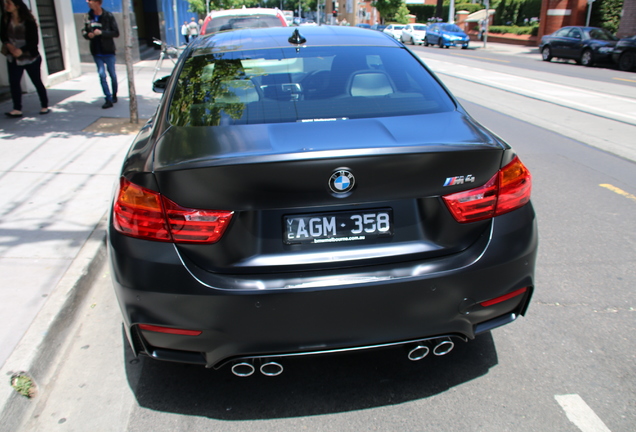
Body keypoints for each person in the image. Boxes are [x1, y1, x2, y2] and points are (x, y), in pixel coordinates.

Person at [0, 0, 49, 117]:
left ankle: (44, 105)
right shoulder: (5, 19)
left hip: (30, 57)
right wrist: (9, 45)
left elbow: (34, 42)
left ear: (17, 6)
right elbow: (3, 35)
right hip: (13, 57)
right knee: (14, 82)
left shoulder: (29, 21)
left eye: (9, 3)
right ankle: (17, 108)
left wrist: (21, 50)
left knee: (36, 81)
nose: (6, 5)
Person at [82, 0, 119, 109]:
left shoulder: (108, 16)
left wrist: (102, 33)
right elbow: (84, 31)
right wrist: (88, 35)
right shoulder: (88, 16)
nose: (87, 2)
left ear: (97, 2)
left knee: (112, 74)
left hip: (108, 51)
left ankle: (114, 94)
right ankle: (108, 98)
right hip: (96, 51)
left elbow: (116, 32)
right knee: (102, 75)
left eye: (90, 0)